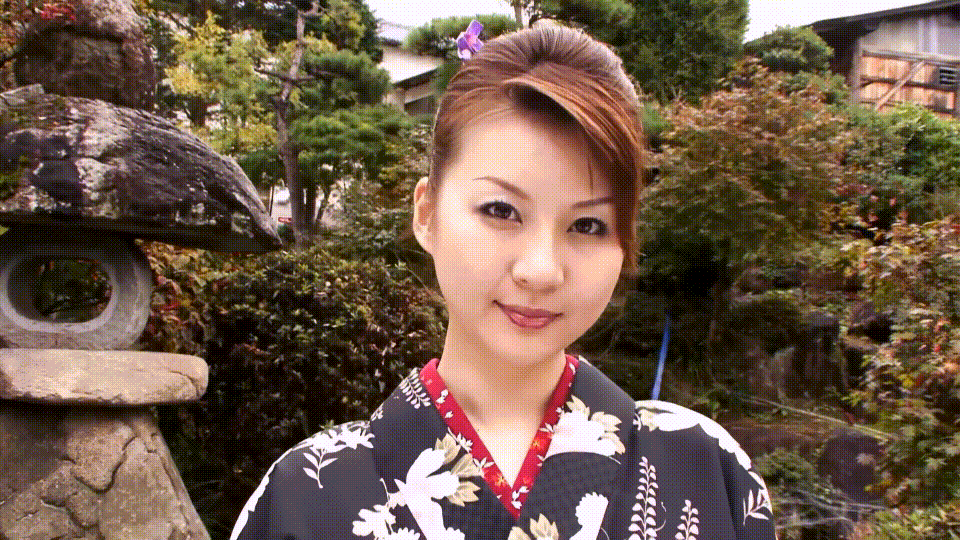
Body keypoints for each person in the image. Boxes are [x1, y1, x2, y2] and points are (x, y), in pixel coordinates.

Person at [231, 23, 777, 540]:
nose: (540, 271)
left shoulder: (704, 467)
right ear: (426, 213)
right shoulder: (308, 493)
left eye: (588, 225)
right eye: (500, 210)